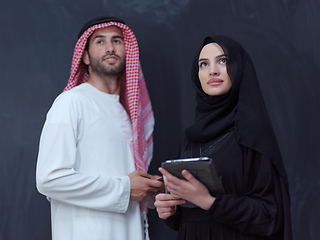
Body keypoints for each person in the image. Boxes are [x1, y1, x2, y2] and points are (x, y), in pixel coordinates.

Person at [36, 16, 163, 240]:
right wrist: (124, 187)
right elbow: (49, 179)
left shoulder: (128, 114)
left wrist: (148, 189)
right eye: (100, 41)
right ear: (84, 56)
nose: (110, 48)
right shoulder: (71, 102)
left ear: (128, 51)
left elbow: (125, 179)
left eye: (117, 40)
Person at [154, 35, 293, 240]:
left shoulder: (252, 132)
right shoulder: (189, 138)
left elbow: (271, 214)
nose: (212, 70)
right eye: (203, 64)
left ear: (239, 69)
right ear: (197, 75)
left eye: (223, 61)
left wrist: (210, 202)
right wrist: (171, 212)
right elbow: (191, 218)